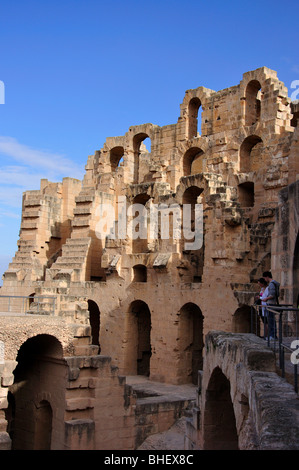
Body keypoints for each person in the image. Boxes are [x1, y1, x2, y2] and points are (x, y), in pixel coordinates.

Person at [262, 271, 280, 340]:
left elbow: (272, 294)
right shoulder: (274, 284)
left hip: (270, 303)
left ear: (267, 277)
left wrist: (266, 298)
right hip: (272, 303)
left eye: (264, 278)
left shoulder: (271, 284)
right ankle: (272, 335)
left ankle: (272, 335)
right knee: (271, 320)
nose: (264, 280)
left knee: (271, 320)